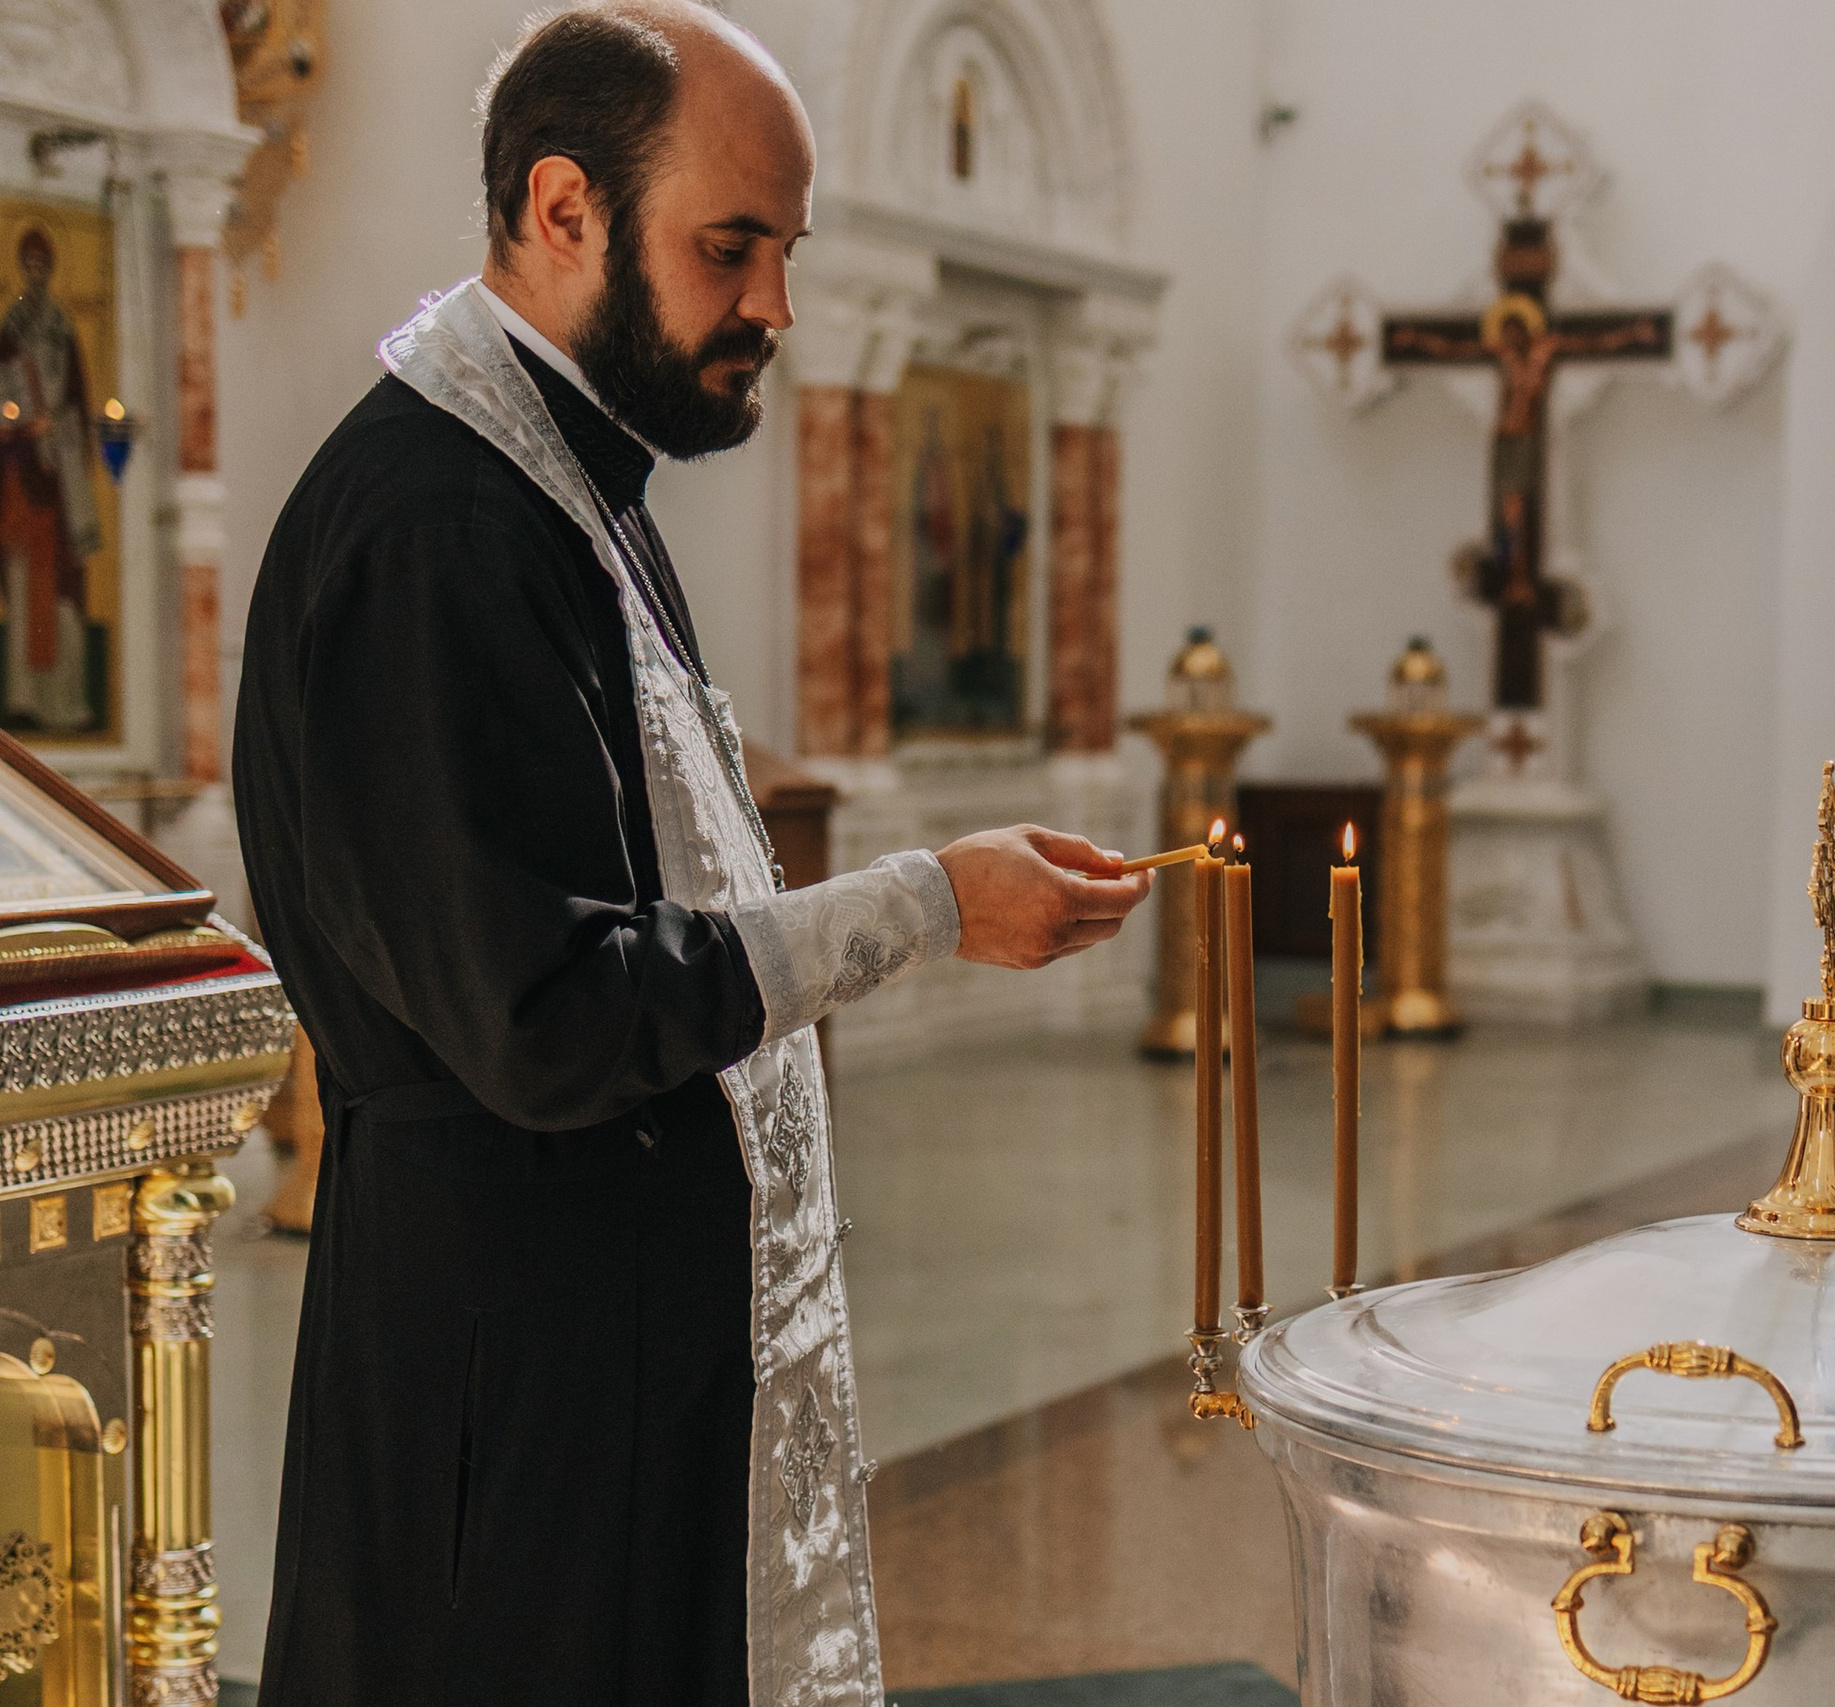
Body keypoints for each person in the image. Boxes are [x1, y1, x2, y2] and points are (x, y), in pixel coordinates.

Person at [229, 7, 1150, 1704]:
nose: (775, 309)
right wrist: (926, 903)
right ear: (564, 207)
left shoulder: (566, 488)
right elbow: (547, 1014)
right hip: (511, 1399)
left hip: (602, 1347)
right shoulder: (438, 528)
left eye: (784, 253)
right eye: (731, 249)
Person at [0, 223, 101, 731]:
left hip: (61, 477)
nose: (38, 273)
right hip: (22, 480)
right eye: (30, 264)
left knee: (67, 586)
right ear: (23, 268)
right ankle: (23, 700)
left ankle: (68, 703)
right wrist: (18, 425)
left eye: (45, 264)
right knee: (23, 585)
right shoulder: (10, 330)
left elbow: (79, 402)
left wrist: (64, 431)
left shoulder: (62, 328)